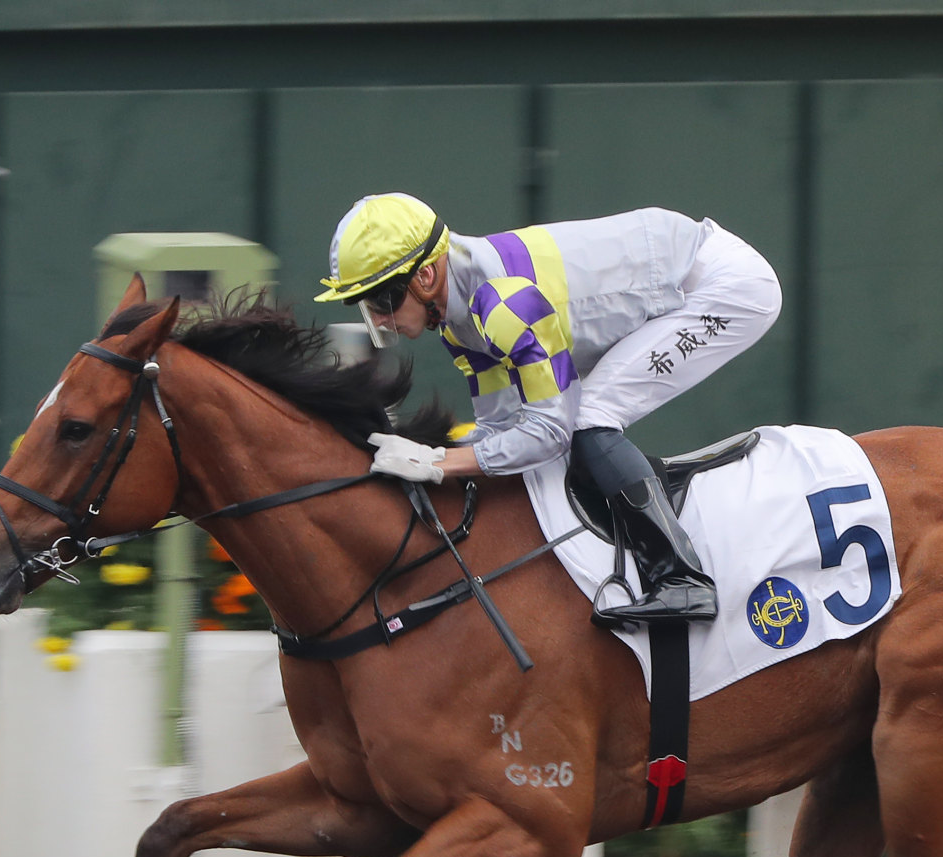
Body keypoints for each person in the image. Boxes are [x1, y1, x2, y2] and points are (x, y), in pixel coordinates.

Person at [315, 193, 781, 625]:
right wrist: (429, 450)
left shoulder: (501, 303)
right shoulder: (460, 322)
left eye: (381, 298)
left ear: (425, 276)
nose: (377, 317)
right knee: (576, 419)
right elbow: (501, 426)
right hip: (676, 277)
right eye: (365, 304)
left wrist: (441, 461)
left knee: (588, 418)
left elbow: (550, 431)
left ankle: (681, 578)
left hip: (723, 288)